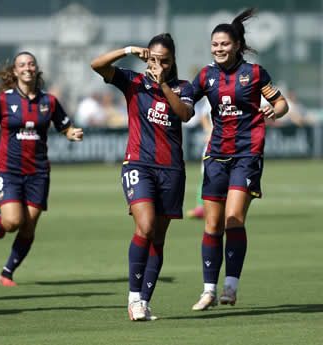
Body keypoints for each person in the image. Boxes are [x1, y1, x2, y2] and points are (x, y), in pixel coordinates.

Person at [189, 8, 289, 311]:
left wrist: (276, 110)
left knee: (234, 219)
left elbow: (280, 102)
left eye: (225, 44)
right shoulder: (206, 75)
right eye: (215, 44)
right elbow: (185, 104)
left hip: (247, 154)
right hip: (216, 155)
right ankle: (208, 289)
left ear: (237, 46)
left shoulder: (255, 73)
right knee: (212, 223)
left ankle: (230, 287)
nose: (219, 49)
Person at [91, 33, 194, 321]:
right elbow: (96, 65)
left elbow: (184, 114)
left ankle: (144, 302)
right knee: (145, 225)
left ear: (173, 61)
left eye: (165, 60)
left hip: (172, 170)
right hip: (138, 165)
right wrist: (126, 49)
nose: (158, 64)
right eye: (154, 58)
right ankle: (133, 296)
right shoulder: (132, 81)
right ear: (147, 57)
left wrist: (162, 84)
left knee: (158, 239)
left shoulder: (184, 87)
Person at [0, 51, 83, 287]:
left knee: (28, 226)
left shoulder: (49, 101)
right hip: (9, 170)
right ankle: (0, 222)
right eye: (22, 65)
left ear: (36, 69)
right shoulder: (4, 100)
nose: (27, 67)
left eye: (31, 64)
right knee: (12, 222)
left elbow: (64, 127)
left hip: (38, 173)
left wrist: (72, 134)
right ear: (15, 71)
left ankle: (7, 272)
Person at [185, 98, 213, 219]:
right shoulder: (212, 94)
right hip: (214, 142)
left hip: (232, 142)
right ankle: (201, 207)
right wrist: (209, 131)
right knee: (206, 174)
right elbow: (203, 115)